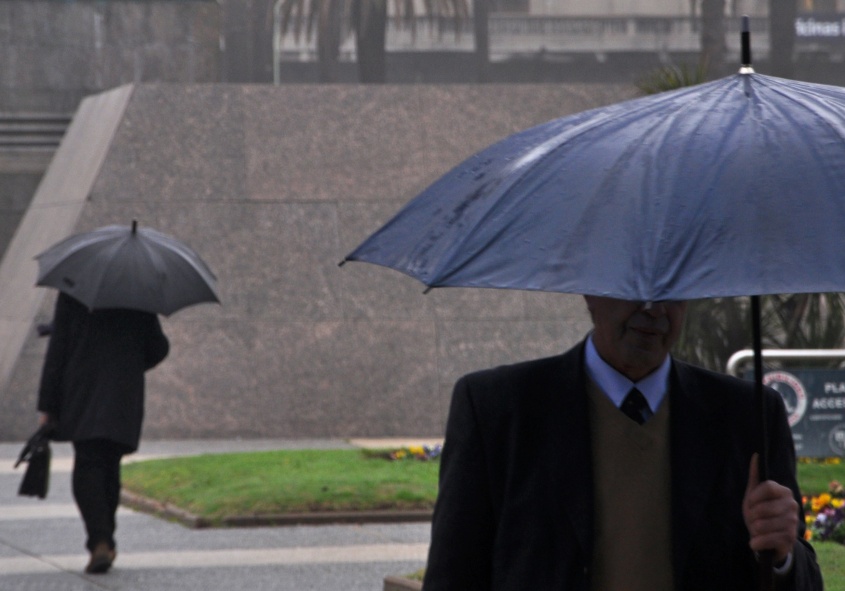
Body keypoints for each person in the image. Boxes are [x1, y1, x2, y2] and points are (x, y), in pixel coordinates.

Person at [422, 296, 823, 590]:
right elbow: (453, 575)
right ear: (590, 294)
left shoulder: (747, 415)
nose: (652, 307)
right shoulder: (498, 410)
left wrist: (781, 555)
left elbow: (801, 578)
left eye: (670, 288)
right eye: (634, 285)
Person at [37, 291, 170, 574]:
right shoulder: (136, 294)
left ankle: (99, 539)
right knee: (109, 464)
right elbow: (157, 347)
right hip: (123, 392)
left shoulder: (74, 291)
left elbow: (58, 350)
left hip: (80, 389)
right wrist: (130, 363)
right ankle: (105, 539)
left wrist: (47, 404)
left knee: (87, 462)